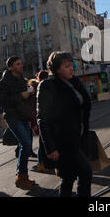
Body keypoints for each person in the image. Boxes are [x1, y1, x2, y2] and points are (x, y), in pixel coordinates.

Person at [37, 51, 92, 197]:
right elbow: (43, 119)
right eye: (67, 66)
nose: (71, 68)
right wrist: (50, 147)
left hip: (79, 136)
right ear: (56, 68)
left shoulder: (74, 82)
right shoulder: (47, 86)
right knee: (86, 172)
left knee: (69, 176)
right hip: (63, 140)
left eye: (71, 65)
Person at [0, 56, 35, 190]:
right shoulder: (4, 82)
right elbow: (0, 100)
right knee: (26, 143)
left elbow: (25, 95)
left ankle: (23, 176)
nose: (21, 65)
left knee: (25, 144)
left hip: (23, 115)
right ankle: (21, 177)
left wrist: (30, 92)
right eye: (18, 64)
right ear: (11, 67)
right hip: (13, 116)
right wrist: (20, 96)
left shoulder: (22, 80)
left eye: (21, 63)